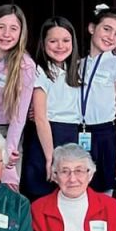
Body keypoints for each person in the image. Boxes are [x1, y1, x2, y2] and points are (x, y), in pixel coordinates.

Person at [21, 17, 83, 200]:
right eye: (53, 41)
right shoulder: (39, 71)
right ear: (43, 43)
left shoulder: (78, 68)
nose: (60, 46)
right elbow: (40, 118)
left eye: (65, 40)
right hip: (46, 137)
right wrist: (51, 157)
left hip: (71, 134)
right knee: (42, 191)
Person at [77, 4, 116, 194]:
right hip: (78, 132)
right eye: (106, 29)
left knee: (104, 191)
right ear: (92, 28)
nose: (110, 37)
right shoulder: (77, 63)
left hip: (105, 135)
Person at [0, 4, 35, 191]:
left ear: (21, 33)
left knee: (8, 191)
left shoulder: (25, 66)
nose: (6, 34)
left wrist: (8, 150)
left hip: (8, 135)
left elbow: (19, 116)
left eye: (13, 28)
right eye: (1, 27)